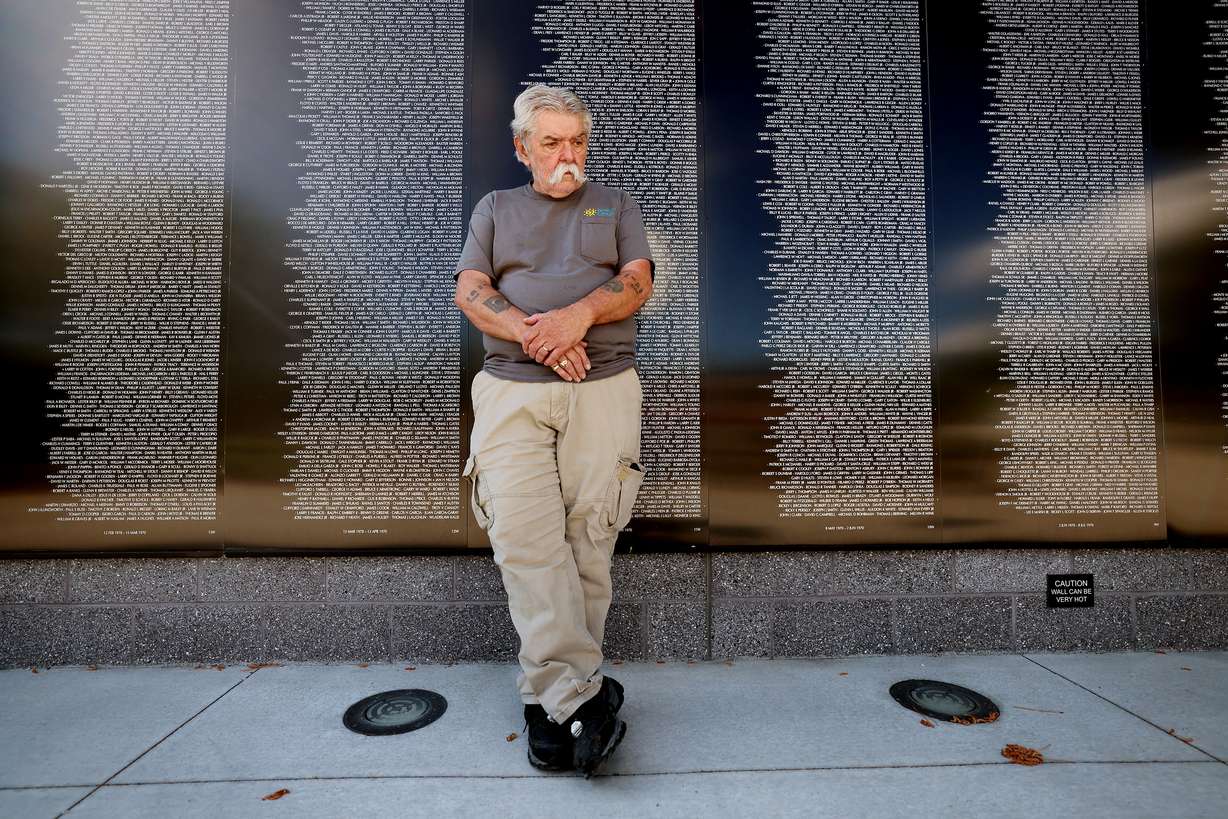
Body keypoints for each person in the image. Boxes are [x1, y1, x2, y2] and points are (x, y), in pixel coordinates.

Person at [452, 84, 655, 777]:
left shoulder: (617, 205)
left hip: (604, 390)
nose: (566, 154)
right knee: (524, 540)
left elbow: (637, 281)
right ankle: (579, 697)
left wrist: (580, 317)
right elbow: (471, 291)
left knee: (589, 542)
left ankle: (552, 705)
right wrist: (540, 335)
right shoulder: (495, 209)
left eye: (576, 142)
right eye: (551, 142)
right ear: (523, 148)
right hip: (512, 393)